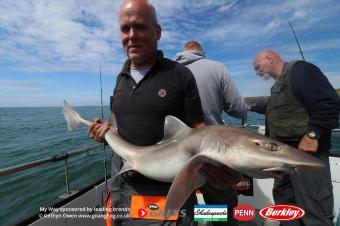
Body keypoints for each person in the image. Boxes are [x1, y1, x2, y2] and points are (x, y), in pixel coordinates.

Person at [88, 1, 240, 225]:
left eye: (140, 27)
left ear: (157, 32)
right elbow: (117, 124)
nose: (131, 35)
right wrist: (103, 132)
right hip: (124, 184)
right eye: (125, 29)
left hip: (170, 189)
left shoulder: (179, 74)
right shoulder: (120, 78)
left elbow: (198, 128)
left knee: (220, 214)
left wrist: (219, 161)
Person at [249, 49, 339, 226]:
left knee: (314, 206)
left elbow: (328, 103)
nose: (257, 72)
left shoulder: (301, 71)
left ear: (270, 58)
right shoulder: (277, 85)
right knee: (285, 206)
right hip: (282, 157)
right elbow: (270, 106)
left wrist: (313, 133)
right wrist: (246, 108)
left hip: (306, 155)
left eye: (258, 67)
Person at [175, 40, 247, 226]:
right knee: (222, 210)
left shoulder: (169, 71)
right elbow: (238, 109)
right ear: (202, 52)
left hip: (176, 157)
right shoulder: (217, 68)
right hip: (212, 155)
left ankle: (194, 217)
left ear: (182, 53)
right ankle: (211, 218)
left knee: (183, 210)